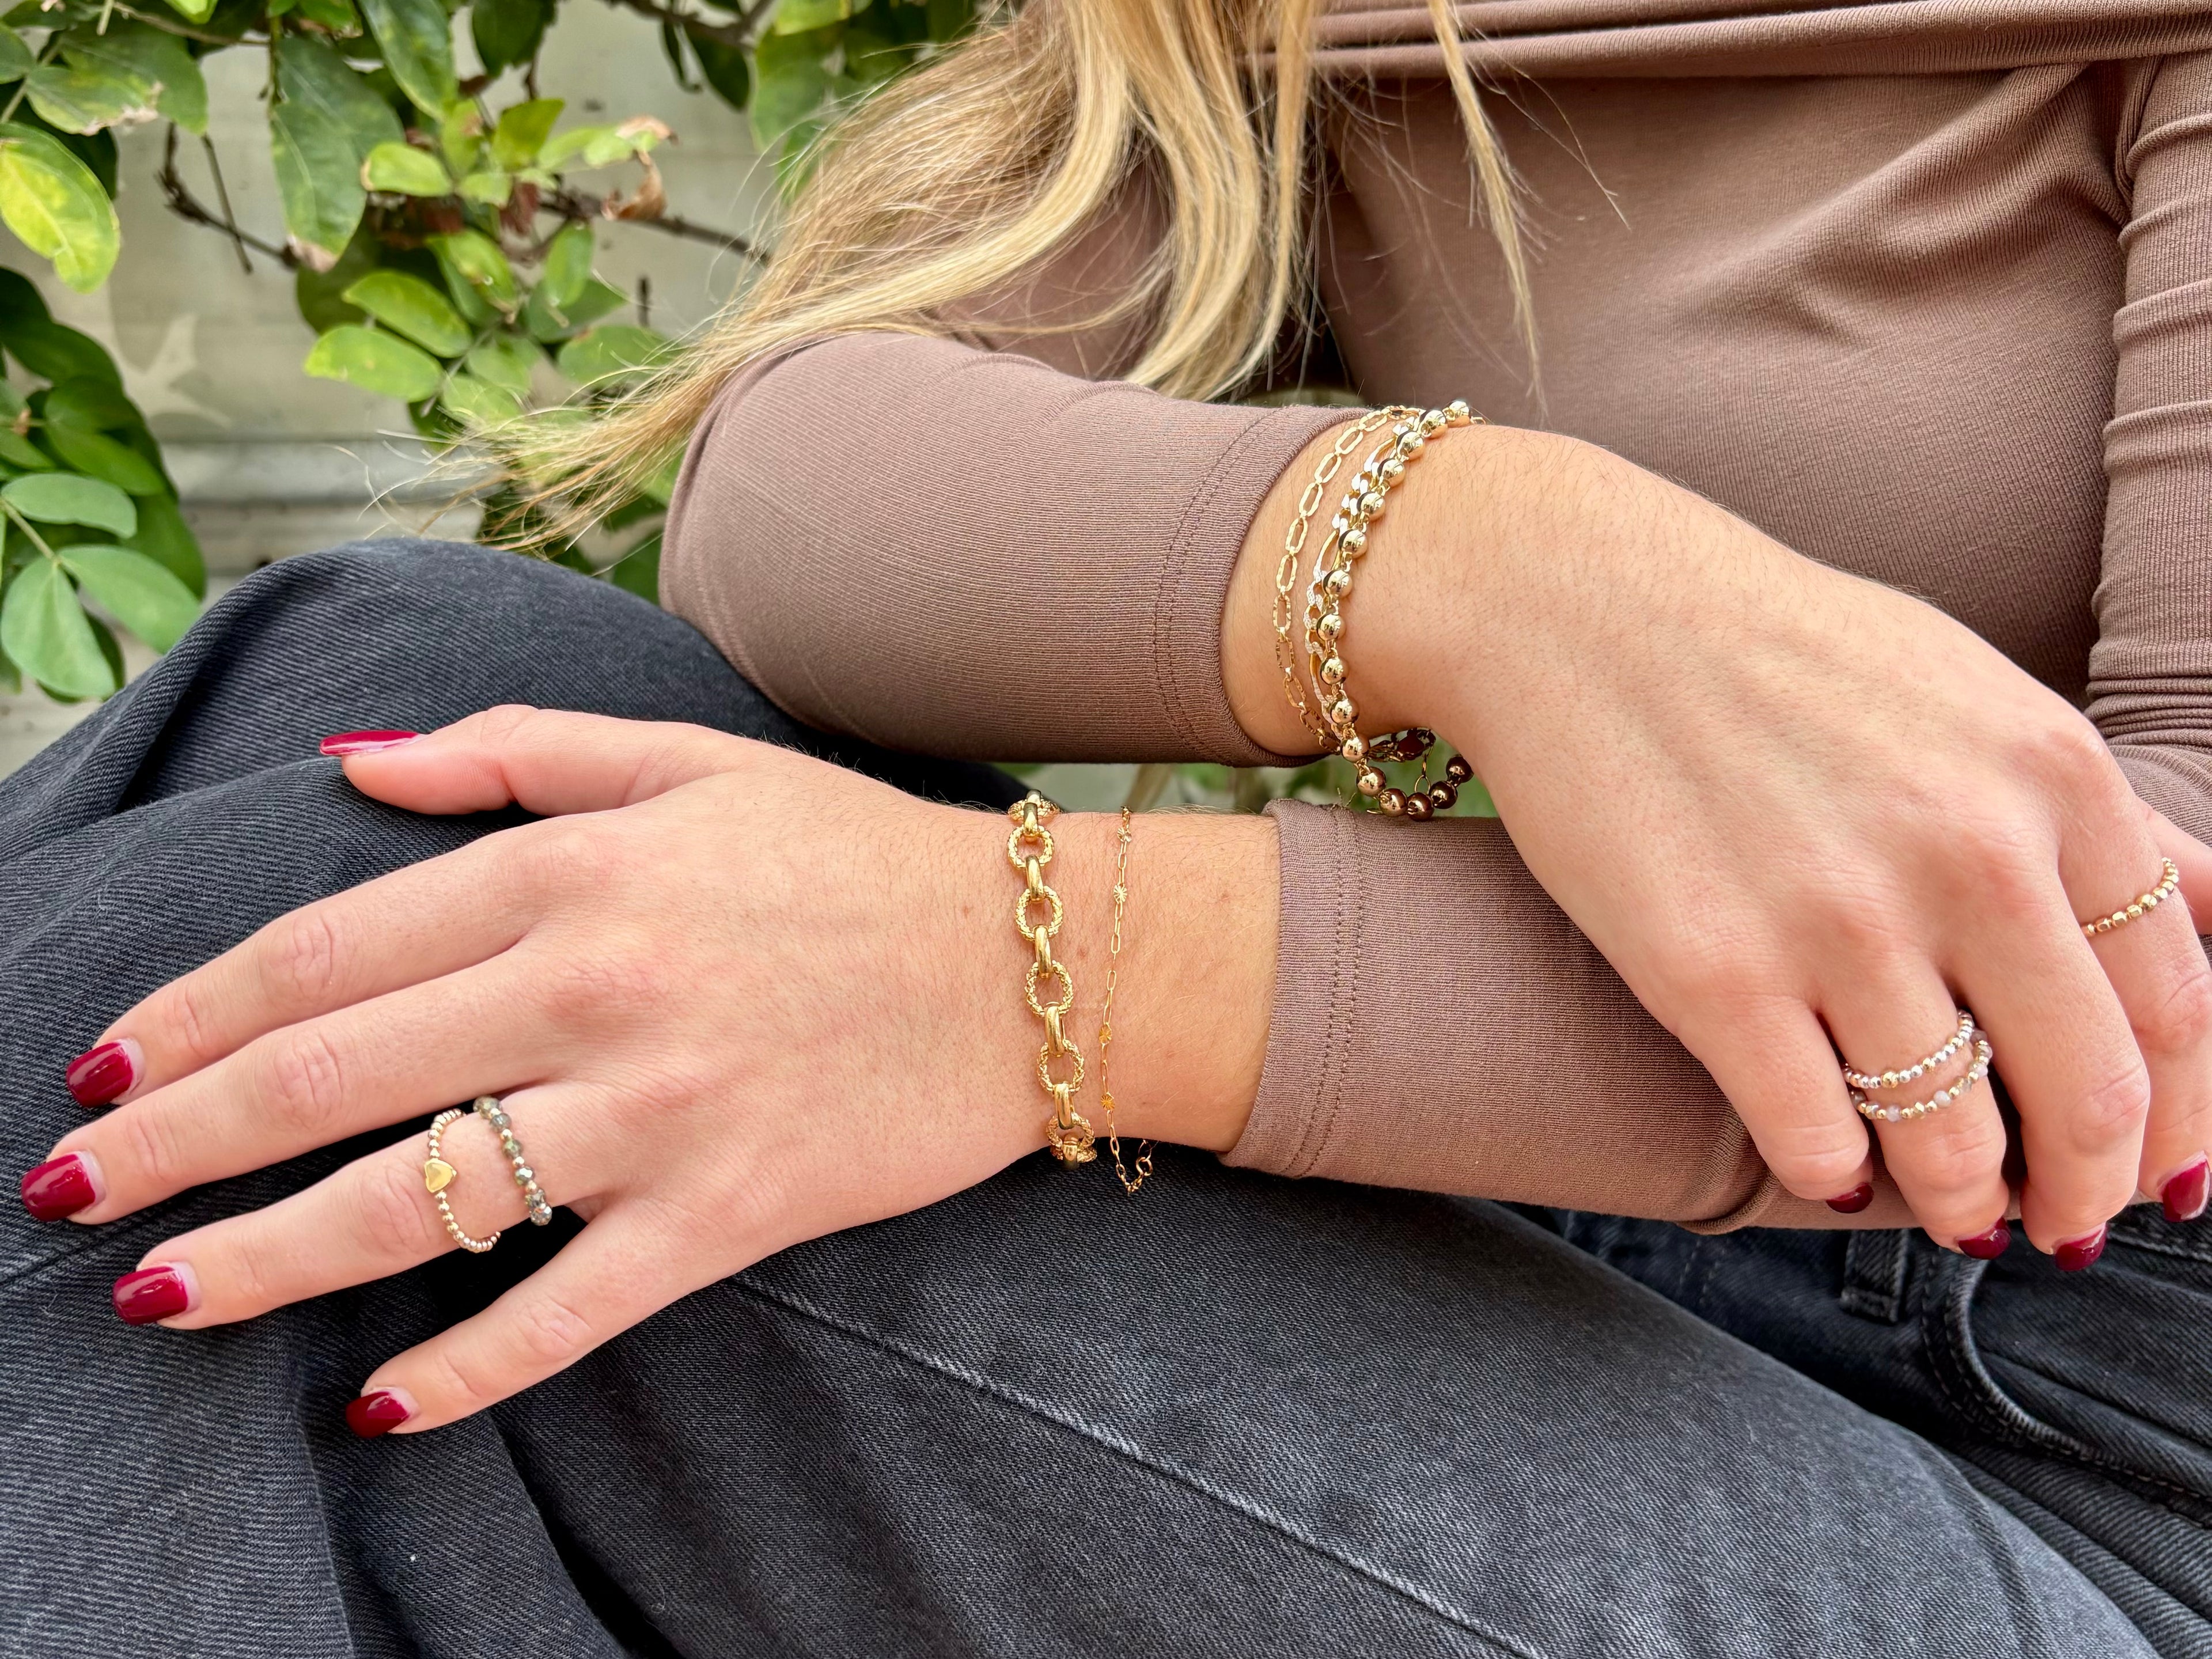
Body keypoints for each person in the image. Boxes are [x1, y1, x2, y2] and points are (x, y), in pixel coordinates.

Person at [7, 1, 2210, 1652]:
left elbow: (2163, 982)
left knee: (369, 940)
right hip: (1561, 1251)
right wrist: (1469, 553)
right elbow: (792, 477)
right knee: (390, 702)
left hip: (2116, 1470)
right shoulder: (1309, 28)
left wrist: (1057, 967)